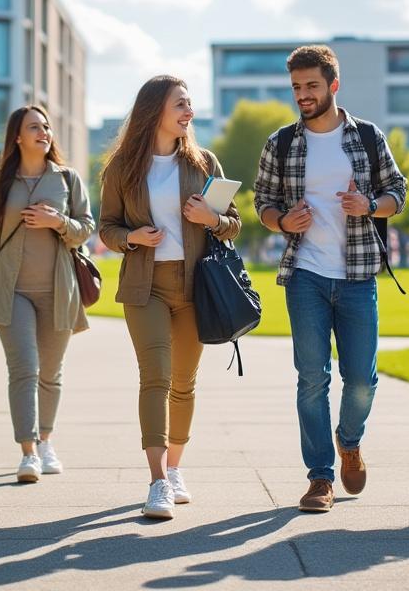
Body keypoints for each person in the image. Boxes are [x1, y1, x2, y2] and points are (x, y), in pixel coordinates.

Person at [253, 45, 408, 514]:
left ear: (333, 85)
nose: (302, 95)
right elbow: (262, 202)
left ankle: (349, 440)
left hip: (359, 275)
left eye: (311, 86)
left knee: (361, 379)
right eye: (297, 87)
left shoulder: (366, 137)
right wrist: (282, 222)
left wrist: (370, 206)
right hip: (306, 275)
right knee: (311, 378)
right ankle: (320, 477)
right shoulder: (281, 143)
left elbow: (397, 192)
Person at [100, 75, 242, 520]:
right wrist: (132, 237)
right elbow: (107, 228)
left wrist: (211, 217)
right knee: (155, 378)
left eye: (190, 103)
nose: (189, 111)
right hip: (146, 286)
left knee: (183, 382)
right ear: (155, 109)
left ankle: (176, 469)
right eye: (181, 103)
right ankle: (158, 481)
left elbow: (233, 224)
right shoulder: (122, 167)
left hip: (195, 286)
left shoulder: (203, 162)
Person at [0, 105, 95, 483]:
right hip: (11, 289)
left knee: (50, 373)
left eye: (47, 126)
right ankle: (28, 451)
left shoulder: (68, 179)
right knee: (24, 369)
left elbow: (86, 228)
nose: (44, 132)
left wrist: (57, 222)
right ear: (17, 137)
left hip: (59, 288)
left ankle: (47, 440)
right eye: (34, 127)